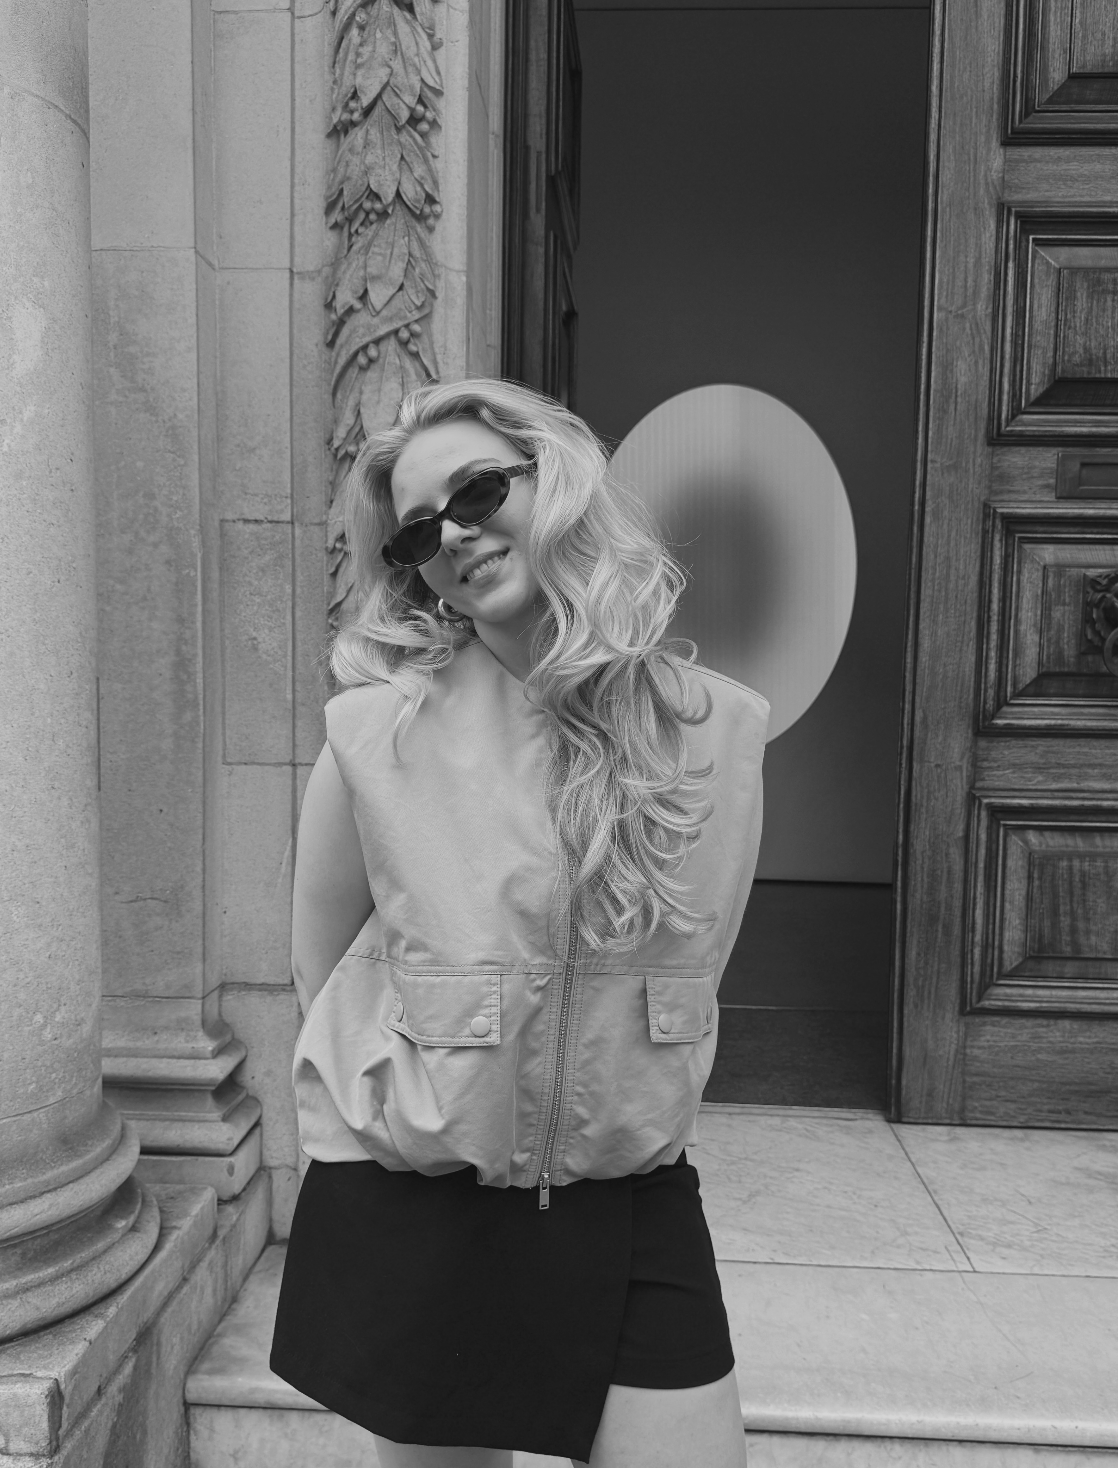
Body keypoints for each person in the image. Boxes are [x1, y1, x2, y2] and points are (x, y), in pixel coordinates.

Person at [270, 378, 768, 1468]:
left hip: (628, 1196)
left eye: (477, 489)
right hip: (429, 1200)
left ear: (558, 484)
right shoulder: (372, 737)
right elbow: (323, 977)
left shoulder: (719, 733)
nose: (451, 534)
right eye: (414, 532)